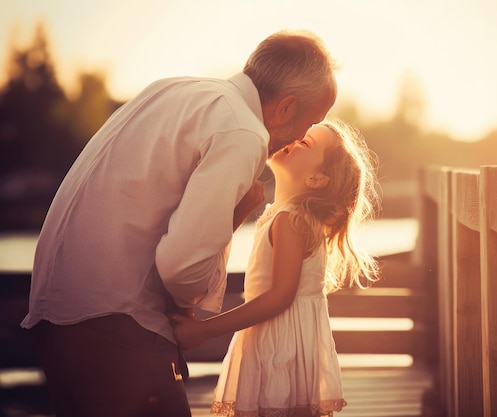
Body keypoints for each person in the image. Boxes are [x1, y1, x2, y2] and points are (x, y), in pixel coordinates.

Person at [20, 30, 337, 417]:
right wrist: (237, 215)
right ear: (286, 108)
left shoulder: (171, 88)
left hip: (56, 316)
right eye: (311, 123)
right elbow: (182, 269)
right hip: (118, 326)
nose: (300, 138)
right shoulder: (243, 131)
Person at [169, 119, 380, 417]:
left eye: (305, 142)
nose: (294, 138)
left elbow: (281, 296)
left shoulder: (291, 220)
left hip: (279, 347)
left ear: (317, 179)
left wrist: (205, 331)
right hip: (280, 341)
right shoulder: (282, 215)